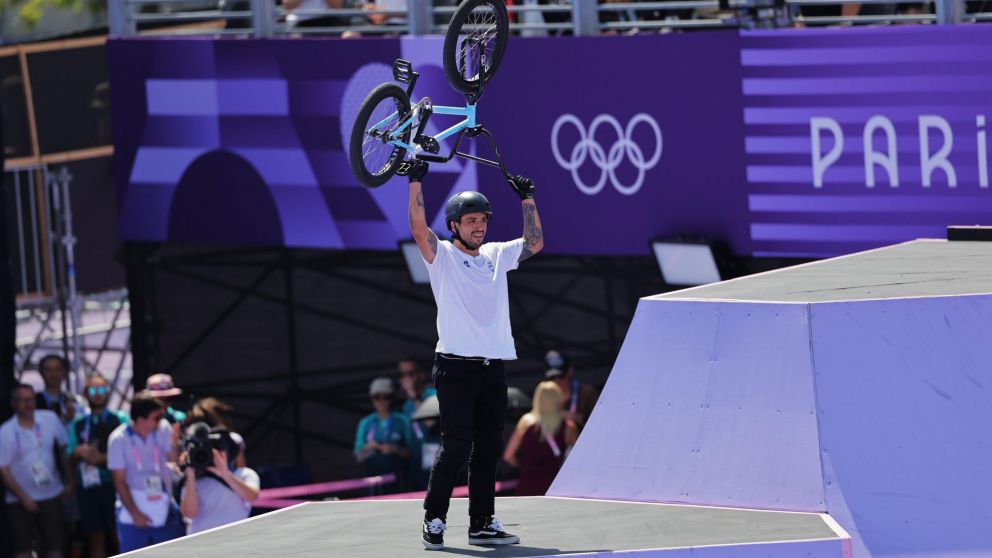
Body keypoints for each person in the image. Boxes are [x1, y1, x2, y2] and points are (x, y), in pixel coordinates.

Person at [406, 159, 543, 550]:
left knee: (487, 448)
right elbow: (418, 228)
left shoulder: (497, 254)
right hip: (454, 367)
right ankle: (434, 519)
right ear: (454, 226)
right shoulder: (444, 256)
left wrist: (527, 199)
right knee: (456, 446)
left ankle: (482, 522)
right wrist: (416, 180)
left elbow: (534, 243)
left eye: (482, 219)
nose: (478, 226)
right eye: (470, 220)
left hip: (491, 367)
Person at [0, 384, 73, 558]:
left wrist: (70, 480)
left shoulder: (49, 418)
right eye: (22, 400)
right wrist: (23, 497)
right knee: (23, 548)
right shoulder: (6, 431)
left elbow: (64, 450)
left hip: (51, 494)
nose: (28, 404)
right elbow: (3, 468)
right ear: (13, 403)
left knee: (54, 546)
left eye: (30, 399)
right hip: (19, 499)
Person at [107, 391, 183, 553]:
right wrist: (135, 514)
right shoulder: (118, 439)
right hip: (133, 511)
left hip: (163, 505)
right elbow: (119, 481)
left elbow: (173, 460)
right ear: (140, 420)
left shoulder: (163, 429)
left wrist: (173, 443)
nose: (160, 421)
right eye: (156, 418)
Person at [66, 375, 129, 558]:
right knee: (95, 537)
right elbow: (69, 456)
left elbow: (129, 454)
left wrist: (102, 458)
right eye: (93, 390)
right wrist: (77, 453)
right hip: (88, 487)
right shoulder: (78, 423)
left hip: (114, 485)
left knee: (118, 534)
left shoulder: (120, 419)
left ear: (108, 392)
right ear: (86, 394)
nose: (98, 395)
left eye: (101, 390)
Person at [502, 381, 578, 496]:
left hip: (527, 487)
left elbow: (508, 456)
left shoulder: (525, 423)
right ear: (558, 399)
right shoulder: (567, 426)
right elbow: (580, 457)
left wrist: (523, 466)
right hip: (555, 488)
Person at [179, 425, 259, 534]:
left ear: (229, 452)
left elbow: (252, 496)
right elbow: (190, 513)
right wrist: (190, 475)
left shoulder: (245, 474)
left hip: (237, 538)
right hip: (201, 543)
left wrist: (225, 474)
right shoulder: (193, 481)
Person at [354, 378, 413, 493]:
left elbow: (413, 454)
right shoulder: (366, 423)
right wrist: (369, 448)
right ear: (372, 399)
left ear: (391, 398)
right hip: (372, 482)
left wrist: (395, 449)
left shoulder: (403, 421)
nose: (381, 401)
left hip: (397, 481)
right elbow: (357, 456)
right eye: (377, 397)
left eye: (385, 397)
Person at [398, 359, 437, 490]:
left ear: (421, 375)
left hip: (436, 466)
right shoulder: (407, 406)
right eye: (402, 375)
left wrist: (414, 397)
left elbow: (431, 424)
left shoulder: (433, 395)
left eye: (410, 374)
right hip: (416, 468)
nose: (406, 378)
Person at [544, 350, 599, 430]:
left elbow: (601, 424)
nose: (557, 380)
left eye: (561, 376)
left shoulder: (587, 394)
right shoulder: (544, 397)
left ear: (570, 370)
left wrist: (580, 419)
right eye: (552, 377)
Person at [35, 355, 86, 425]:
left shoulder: (74, 401)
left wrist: (74, 419)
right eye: (49, 370)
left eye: (58, 369)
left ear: (64, 372)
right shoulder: (33, 401)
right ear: (41, 372)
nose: (54, 374)